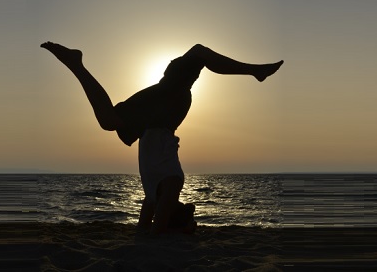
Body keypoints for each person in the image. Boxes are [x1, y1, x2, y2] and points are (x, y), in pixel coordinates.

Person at [41, 42, 283, 234]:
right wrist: (177, 229)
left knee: (109, 120)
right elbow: (155, 231)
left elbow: (146, 229)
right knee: (198, 53)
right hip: (165, 110)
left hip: (159, 115)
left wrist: (168, 227)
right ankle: (255, 70)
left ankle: (76, 65)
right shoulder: (170, 185)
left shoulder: (154, 195)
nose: (161, 211)